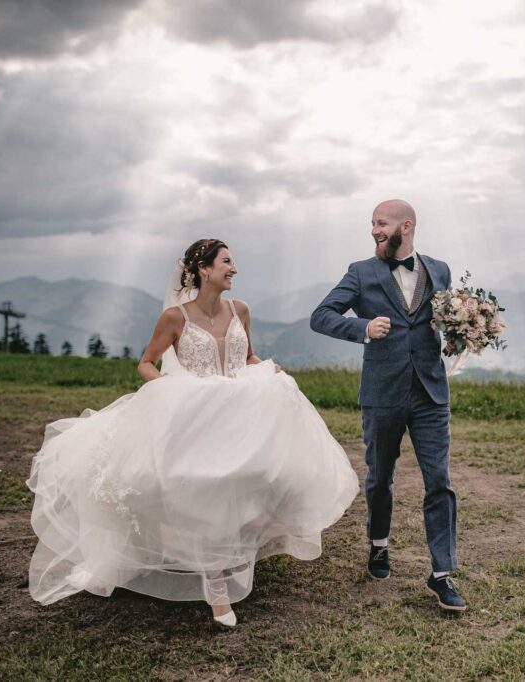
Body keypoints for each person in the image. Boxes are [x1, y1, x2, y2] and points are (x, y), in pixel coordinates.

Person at [27, 239, 359, 627]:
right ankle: (217, 590)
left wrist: (270, 370)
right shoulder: (175, 317)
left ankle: (235, 549)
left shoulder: (241, 310)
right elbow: (146, 364)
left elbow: (247, 355)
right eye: (227, 262)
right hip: (196, 415)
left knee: (266, 475)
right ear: (204, 269)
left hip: (239, 412)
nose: (234, 269)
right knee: (206, 489)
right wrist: (171, 387)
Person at [310, 200, 466, 611]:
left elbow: (446, 321)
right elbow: (321, 315)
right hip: (382, 393)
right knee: (380, 477)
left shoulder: (440, 269)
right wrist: (362, 327)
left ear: (406, 226)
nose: (375, 230)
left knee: (440, 481)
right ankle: (379, 544)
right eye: (372, 224)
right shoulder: (361, 272)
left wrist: (463, 333)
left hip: (431, 393)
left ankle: (442, 574)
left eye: (381, 223)